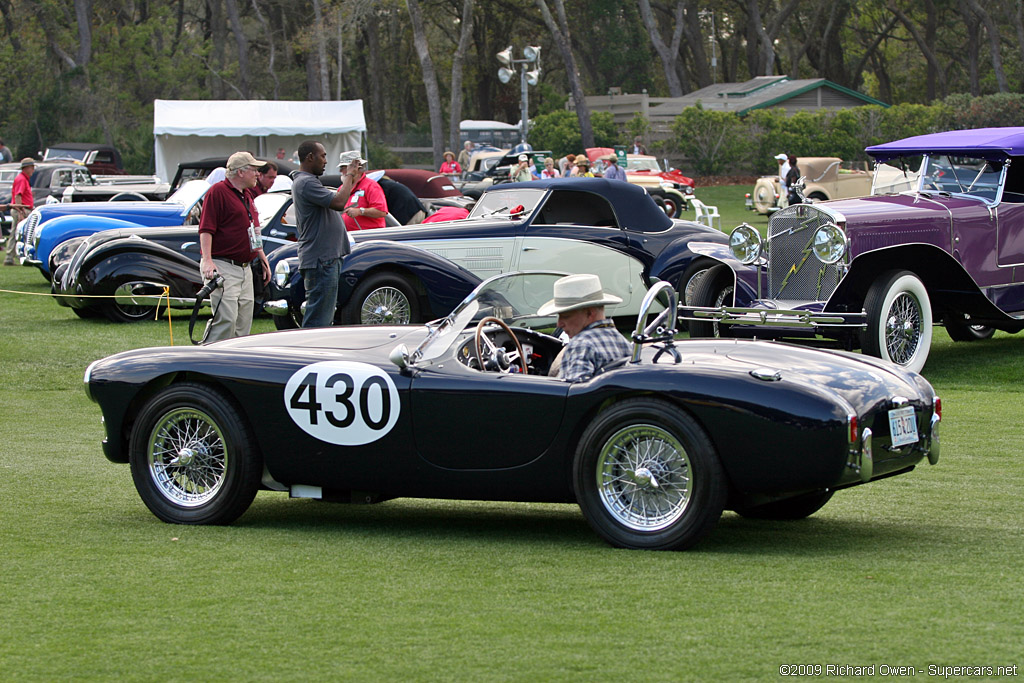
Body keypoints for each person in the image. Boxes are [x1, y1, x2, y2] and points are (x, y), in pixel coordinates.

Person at [197, 152, 272, 342]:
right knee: (226, 319)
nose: (258, 174)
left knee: (243, 322)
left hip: (245, 267)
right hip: (223, 266)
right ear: (241, 172)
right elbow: (206, 229)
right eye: (254, 170)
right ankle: (209, 361)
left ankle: (234, 365)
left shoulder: (246, 194)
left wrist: (261, 254)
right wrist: (207, 261)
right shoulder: (217, 192)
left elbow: (252, 228)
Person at [291, 140, 358, 328]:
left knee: (324, 315)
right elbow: (338, 202)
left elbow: (337, 199)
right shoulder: (305, 183)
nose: (326, 161)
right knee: (318, 319)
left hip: (325, 257)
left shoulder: (309, 182)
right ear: (310, 157)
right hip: (321, 259)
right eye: (323, 156)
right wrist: (349, 175)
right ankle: (310, 354)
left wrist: (349, 178)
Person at [538, 273, 631, 382]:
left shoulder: (581, 344)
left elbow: (573, 393)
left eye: (566, 316)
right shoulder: (623, 342)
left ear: (589, 313)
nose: (559, 324)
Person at [338, 150, 388, 231]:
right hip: (349, 237)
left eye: (344, 167)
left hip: (369, 237)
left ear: (356, 168)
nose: (340, 171)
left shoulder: (371, 186)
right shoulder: (342, 188)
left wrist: (360, 211)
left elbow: (381, 212)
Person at [4, 158, 34, 265]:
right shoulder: (21, 179)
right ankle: (10, 257)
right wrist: (21, 212)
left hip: (22, 209)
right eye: (32, 167)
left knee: (18, 234)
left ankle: (12, 256)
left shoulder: (23, 178)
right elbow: (18, 195)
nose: (33, 170)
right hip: (21, 210)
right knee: (19, 234)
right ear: (26, 168)